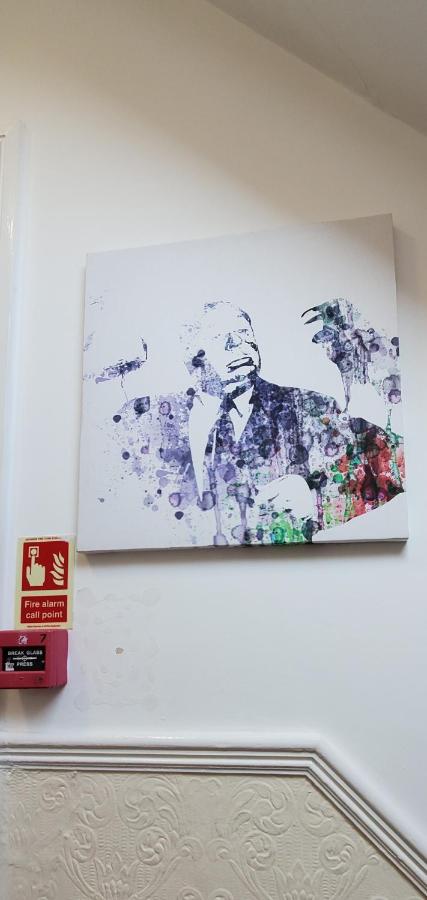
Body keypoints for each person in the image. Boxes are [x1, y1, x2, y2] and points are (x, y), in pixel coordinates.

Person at [109, 301, 405, 545]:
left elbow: (395, 463)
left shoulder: (306, 407)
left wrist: (317, 500)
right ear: (192, 357)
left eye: (244, 334)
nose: (239, 345)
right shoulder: (147, 420)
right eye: (221, 338)